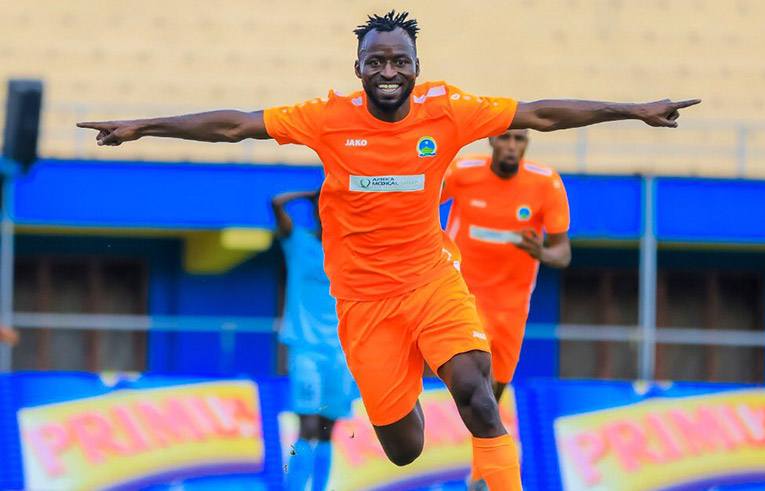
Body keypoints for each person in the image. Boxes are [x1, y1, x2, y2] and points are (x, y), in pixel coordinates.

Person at [77, 10, 699, 489]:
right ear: (358, 69)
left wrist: (635, 110)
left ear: (416, 65)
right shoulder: (326, 118)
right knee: (405, 447)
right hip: (363, 301)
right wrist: (143, 126)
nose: (389, 74)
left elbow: (539, 113)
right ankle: (407, 402)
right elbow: (236, 125)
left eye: (400, 62)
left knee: (478, 396)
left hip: (431, 280)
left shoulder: (448, 110)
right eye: (376, 63)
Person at [442, 130, 571, 489]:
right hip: (462, 294)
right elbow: (418, 203)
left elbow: (563, 252)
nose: (512, 146)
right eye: (506, 139)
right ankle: (485, 480)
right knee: (477, 386)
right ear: (491, 142)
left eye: (520, 139)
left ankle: (479, 476)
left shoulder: (546, 183)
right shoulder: (463, 172)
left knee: (492, 396)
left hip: (512, 305)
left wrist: (543, 252)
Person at [270, 190, 353, 491]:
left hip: (340, 352)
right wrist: (311, 195)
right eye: (323, 209)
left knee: (328, 429)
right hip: (305, 350)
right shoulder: (298, 242)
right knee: (307, 426)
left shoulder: (349, 250)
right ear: (317, 213)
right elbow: (276, 203)